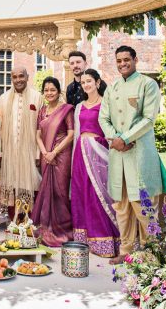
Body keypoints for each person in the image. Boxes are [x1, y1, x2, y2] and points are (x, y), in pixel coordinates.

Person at [99, 45, 166, 264]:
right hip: (118, 155)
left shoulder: (148, 85)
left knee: (143, 204)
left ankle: (153, 252)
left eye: (126, 60)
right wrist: (115, 138)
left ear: (135, 59)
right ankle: (126, 250)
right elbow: (104, 118)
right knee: (121, 206)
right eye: (119, 61)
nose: (122, 64)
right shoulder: (111, 88)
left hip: (139, 154)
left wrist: (126, 138)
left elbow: (148, 119)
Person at [71, 69, 121, 257]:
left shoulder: (106, 104)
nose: (86, 85)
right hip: (81, 153)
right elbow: (77, 132)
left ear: (98, 82)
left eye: (89, 81)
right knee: (81, 192)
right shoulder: (79, 107)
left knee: (98, 194)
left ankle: (106, 239)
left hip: (99, 152)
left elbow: (111, 129)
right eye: (83, 82)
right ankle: (85, 240)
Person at [31, 77, 74, 247]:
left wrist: (54, 152)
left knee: (61, 191)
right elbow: (38, 135)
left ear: (59, 91)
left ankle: (61, 230)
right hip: (46, 155)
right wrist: (44, 152)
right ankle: (46, 227)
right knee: (46, 190)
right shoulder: (42, 111)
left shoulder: (67, 110)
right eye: (46, 90)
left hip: (61, 155)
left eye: (52, 90)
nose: (49, 93)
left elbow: (71, 134)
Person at [0, 67, 43, 216]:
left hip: (30, 150)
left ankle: (27, 221)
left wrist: (38, 154)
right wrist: (0, 152)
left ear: (28, 77)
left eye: (21, 76)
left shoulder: (37, 97)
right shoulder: (4, 98)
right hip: (10, 151)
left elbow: (41, 128)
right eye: (14, 77)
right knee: (12, 181)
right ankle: (13, 219)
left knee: (28, 182)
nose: (18, 80)